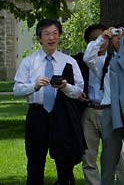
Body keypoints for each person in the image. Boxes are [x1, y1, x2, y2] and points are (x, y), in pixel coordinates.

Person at [14, 19, 85, 184]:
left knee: (65, 162)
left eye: (55, 33)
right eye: (46, 34)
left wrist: (65, 87)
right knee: (35, 161)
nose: (51, 38)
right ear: (39, 38)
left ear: (59, 36)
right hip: (37, 115)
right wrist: (34, 86)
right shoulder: (29, 62)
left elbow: (78, 91)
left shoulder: (69, 62)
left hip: (61, 115)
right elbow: (17, 90)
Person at [84, 25, 124, 184]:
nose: (119, 38)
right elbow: (88, 57)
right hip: (110, 112)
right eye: (116, 35)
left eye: (121, 35)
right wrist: (103, 38)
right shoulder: (104, 61)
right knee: (108, 159)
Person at [73, 23, 124, 185]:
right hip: (89, 110)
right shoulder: (83, 61)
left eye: (104, 38)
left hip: (110, 111)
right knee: (89, 155)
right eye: (94, 39)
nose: (100, 42)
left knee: (118, 155)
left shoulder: (115, 59)